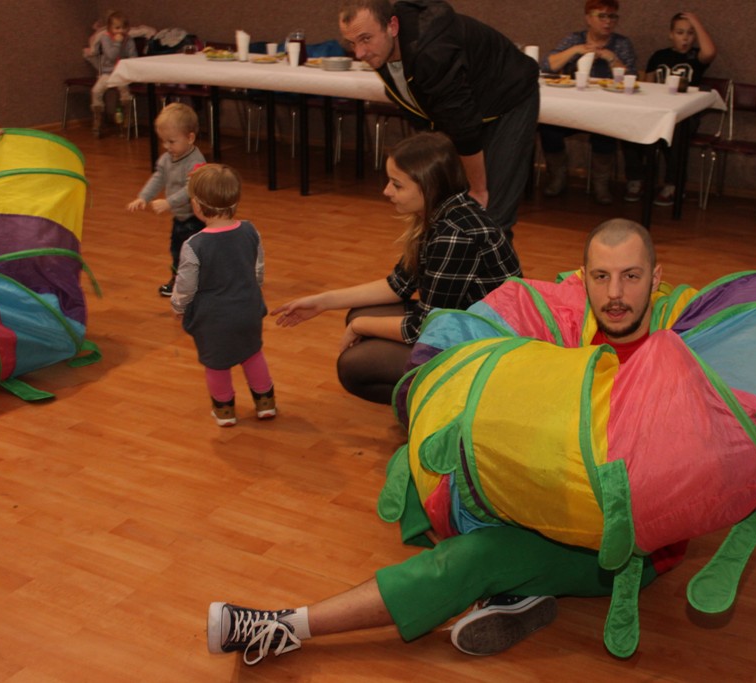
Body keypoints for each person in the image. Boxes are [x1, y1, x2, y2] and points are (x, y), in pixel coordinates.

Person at [207, 219, 689, 666]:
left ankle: (286, 626)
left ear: (656, 275)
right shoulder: (568, 324)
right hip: (551, 496)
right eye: (602, 277)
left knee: (479, 556)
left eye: (631, 276)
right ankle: (514, 591)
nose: (616, 294)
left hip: (621, 544)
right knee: (431, 468)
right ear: (584, 279)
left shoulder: (677, 349)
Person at [271, 132, 521, 405]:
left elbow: (422, 328)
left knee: (354, 366)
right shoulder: (447, 211)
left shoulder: (455, 234)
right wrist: (323, 302)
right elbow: (398, 284)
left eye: (397, 185)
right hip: (462, 324)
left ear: (428, 186)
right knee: (361, 315)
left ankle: (451, 404)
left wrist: (359, 326)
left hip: (487, 348)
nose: (386, 191)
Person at [338, 0, 539, 242]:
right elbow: (422, 111)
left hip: (511, 99)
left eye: (366, 39)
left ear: (392, 26)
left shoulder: (432, 51)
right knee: (450, 206)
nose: (359, 53)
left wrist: (478, 189)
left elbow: (463, 127)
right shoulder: (383, 49)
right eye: (352, 43)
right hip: (467, 111)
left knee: (491, 215)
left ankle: (497, 278)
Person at [169, 164, 275, 427]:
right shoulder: (251, 230)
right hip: (249, 309)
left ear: (196, 205)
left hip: (214, 317)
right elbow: (258, 266)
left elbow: (186, 284)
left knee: (216, 363)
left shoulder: (194, 245)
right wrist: (254, 287)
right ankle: (266, 404)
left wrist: (178, 305)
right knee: (253, 354)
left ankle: (225, 410)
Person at [540, 0, 644, 204]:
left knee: (605, 133)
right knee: (548, 128)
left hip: (605, 109)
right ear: (589, 18)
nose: (608, 22)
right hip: (572, 108)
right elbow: (548, 64)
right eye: (602, 16)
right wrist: (575, 50)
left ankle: (601, 185)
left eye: (612, 16)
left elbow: (631, 77)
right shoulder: (574, 39)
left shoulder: (621, 43)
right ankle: (557, 178)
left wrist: (611, 58)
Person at [127, 103, 206, 297]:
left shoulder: (196, 161)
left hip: (195, 219)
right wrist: (143, 197)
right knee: (176, 250)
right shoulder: (167, 159)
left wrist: (168, 202)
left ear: (190, 138)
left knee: (192, 253)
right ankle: (179, 280)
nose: (166, 147)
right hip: (180, 218)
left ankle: (196, 283)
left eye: (171, 141)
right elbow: (158, 177)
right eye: (163, 141)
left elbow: (191, 188)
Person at [644, 11, 717, 207]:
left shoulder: (695, 58)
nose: (685, 38)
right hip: (658, 109)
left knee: (676, 133)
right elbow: (647, 84)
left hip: (685, 113)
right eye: (680, 32)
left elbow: (709, 52)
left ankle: (673, 185)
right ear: (671, 34)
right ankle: (638, 180)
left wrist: (696, 20)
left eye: (690, 33)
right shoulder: (659, 55)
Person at [83, 10, 138, 138]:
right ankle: (98, 121)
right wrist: (117, 42)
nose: (121, 31)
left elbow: (133, 56)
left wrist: (128, 62)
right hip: (108, 73)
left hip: (122, 73)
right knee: (96, 91)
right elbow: (111, 55)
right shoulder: (105, 38)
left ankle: (127, 120)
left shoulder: (129, 40)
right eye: (117, 28)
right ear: (110, 28)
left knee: (125, 92)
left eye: (124, 28)